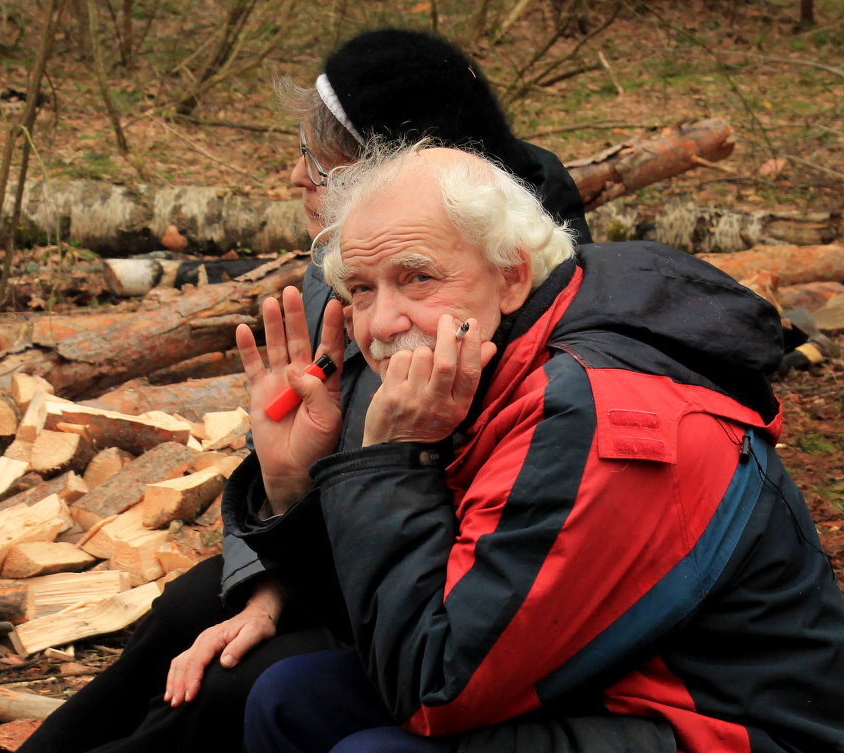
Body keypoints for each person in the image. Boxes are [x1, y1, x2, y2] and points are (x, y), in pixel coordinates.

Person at [18, 28, 592, 753]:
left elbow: (448, 538)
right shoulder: (353, 271)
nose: (296, 178)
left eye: (322, 164)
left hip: (439, 600)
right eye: (302, 154)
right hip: (371, 554)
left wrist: (298, 567)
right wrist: (282, 500)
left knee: (239, 679)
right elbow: (342, 478)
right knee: (189, 603)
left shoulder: (493, 298)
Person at [230, 143, 844, 752]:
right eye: (361, 289)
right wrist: (293, 483)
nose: (383, 322)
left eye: (418, 277)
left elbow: (433, 686)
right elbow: (388, 615)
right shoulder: (481, 372)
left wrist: (389, 462)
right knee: (290, 698)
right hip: (597, 674)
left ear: (511, 277)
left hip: (722, 723)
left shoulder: (600, 412)